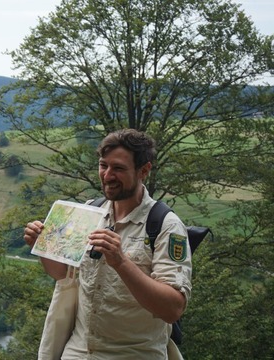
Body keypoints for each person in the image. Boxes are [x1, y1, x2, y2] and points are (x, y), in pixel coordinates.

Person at [24, 129, 192, 359]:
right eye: (104, 165)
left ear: (144, 170)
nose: (107, 175)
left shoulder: (165, 225)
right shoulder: (89, 210)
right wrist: (42, 247)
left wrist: (121, 262)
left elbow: (172, 309)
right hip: (78, 352)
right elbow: (62, 275)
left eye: (119, 168)